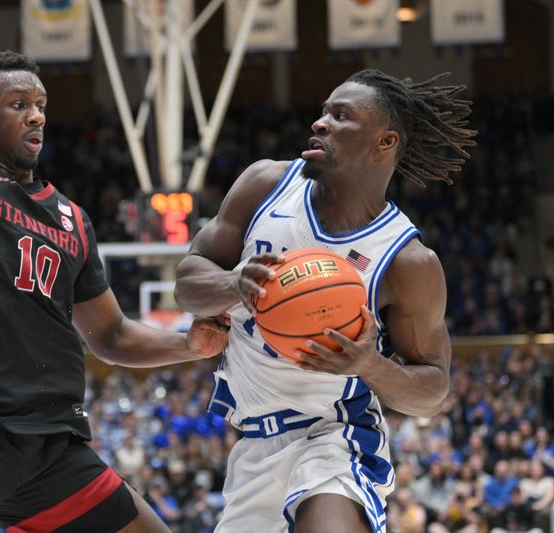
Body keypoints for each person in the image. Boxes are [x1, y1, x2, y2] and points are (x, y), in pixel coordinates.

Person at [0, 1, 228, 532]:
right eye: (18, 104)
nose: (36, 115)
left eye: (41, 104)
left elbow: (111, 335)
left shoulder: (72, 219)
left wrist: (188, 345)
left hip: (51, 450)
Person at [174, 70, 477, 532]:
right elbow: (187, 282)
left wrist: (370, 365)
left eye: (341, 116)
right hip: (253, 446)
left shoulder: (406, 261)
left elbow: (432, 392)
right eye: (323, 113)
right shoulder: (265, 184)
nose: (320, 123)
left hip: (336, 436)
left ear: (385, 141)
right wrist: (234, 284)